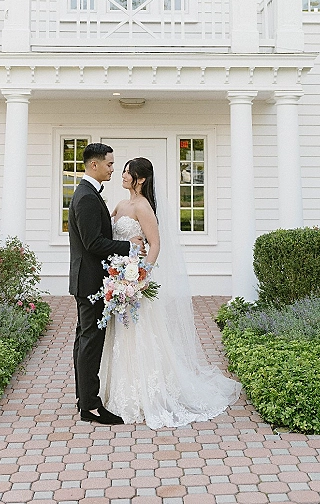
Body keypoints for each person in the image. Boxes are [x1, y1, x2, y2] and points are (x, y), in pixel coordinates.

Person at [99, 157, 241, 429]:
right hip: (118, 278)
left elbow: (155, 243)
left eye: (128, 172)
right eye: (124, 171)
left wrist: (142, 276)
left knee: (142, 336)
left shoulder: (143, 207)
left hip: (135, 282)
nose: (123, 175)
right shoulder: (120, 205)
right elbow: (113, 239)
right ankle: (117, 392)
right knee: (121, 336)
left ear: (140, 179)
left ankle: (150, 394)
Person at [68, 142, 144, 425]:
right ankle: (90, 406)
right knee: (90, 341)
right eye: (110, 164)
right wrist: (128, 246)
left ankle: (83, 397)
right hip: (90, 280)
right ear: (94, 165)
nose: (113, 169)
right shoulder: (87, 196)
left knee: (84, 338)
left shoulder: (88, 193)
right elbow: (94, 243)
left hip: (86, 278)